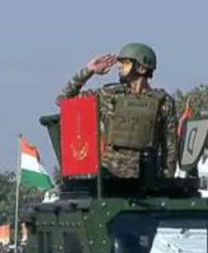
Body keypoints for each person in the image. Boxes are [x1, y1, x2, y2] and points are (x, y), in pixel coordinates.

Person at [57, 43, 178, 179]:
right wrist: (89, 70)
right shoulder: (108, 95)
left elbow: (170, 147)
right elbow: (63, 101)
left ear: (141, 68)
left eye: (125, 63)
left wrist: (167, 182)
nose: (119, 66)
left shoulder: (163, 102)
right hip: (110, 177)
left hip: (146, 178)